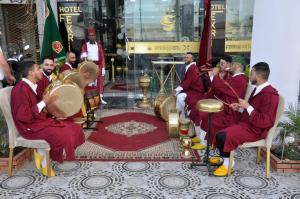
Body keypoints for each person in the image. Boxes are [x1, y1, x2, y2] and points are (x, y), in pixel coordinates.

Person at [11, 60, 85, 177]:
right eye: (38, 69)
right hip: (29, 127)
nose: (41, 71)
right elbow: (23, 116)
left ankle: (42, 153)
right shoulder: (20, 89)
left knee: (74, 128)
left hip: (38, 122)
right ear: (31, 73)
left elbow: (38, 109)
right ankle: (44, 160)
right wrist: (44, 102)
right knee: (64, 134)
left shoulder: (30, 86)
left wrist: (54, 112)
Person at [213, 62, 279, 176]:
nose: (250, 76)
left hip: (256, 130)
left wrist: (247, 106)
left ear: (258, 76)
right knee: (219, 130)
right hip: (247, 124)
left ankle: (228, 164)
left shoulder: (270, 94)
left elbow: (265, 121)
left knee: (223, 136)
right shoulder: (258, 89)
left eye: (252, 73)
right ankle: (224, 159)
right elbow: (253, 110)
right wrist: (239, 108)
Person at [189, 62, 248, 150]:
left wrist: (215, 75)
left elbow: (223, 87)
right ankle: (202, 139)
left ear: (238, 66)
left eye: (232, 65)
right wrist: (217, 76)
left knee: (208, 116)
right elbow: (221, 87)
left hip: (231, 111)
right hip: (226, 107)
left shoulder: (240, 79)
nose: (229, 67)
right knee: (203, 112)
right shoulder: (235, 77)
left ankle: (205, 142)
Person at [173, 52, 205, 119]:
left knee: (180, 96)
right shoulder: (190, 67)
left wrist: (177, 89)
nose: (185, 59)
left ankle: (184, 116)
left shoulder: (193, 68)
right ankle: (179, 117)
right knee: (178, 95)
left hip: (196, 92)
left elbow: (188, 82)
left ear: (192, 59)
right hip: (191, 89)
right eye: (185, 57)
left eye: (187, 58)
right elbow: (186, 82)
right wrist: (178, 89)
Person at [81, 28, 107, 105]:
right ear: (88, 36)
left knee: (99, 82)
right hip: (89, 66)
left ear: (95, 36)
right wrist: (84, 56)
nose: (92, 37)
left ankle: (100, 98)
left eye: (93, 35)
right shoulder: (85, 45)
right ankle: (90, 99)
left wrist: (103, 68)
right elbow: (83, 56)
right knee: (89, 82)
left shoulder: (99, 46)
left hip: (98, 65)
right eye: (90, 35)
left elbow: (102, 57)